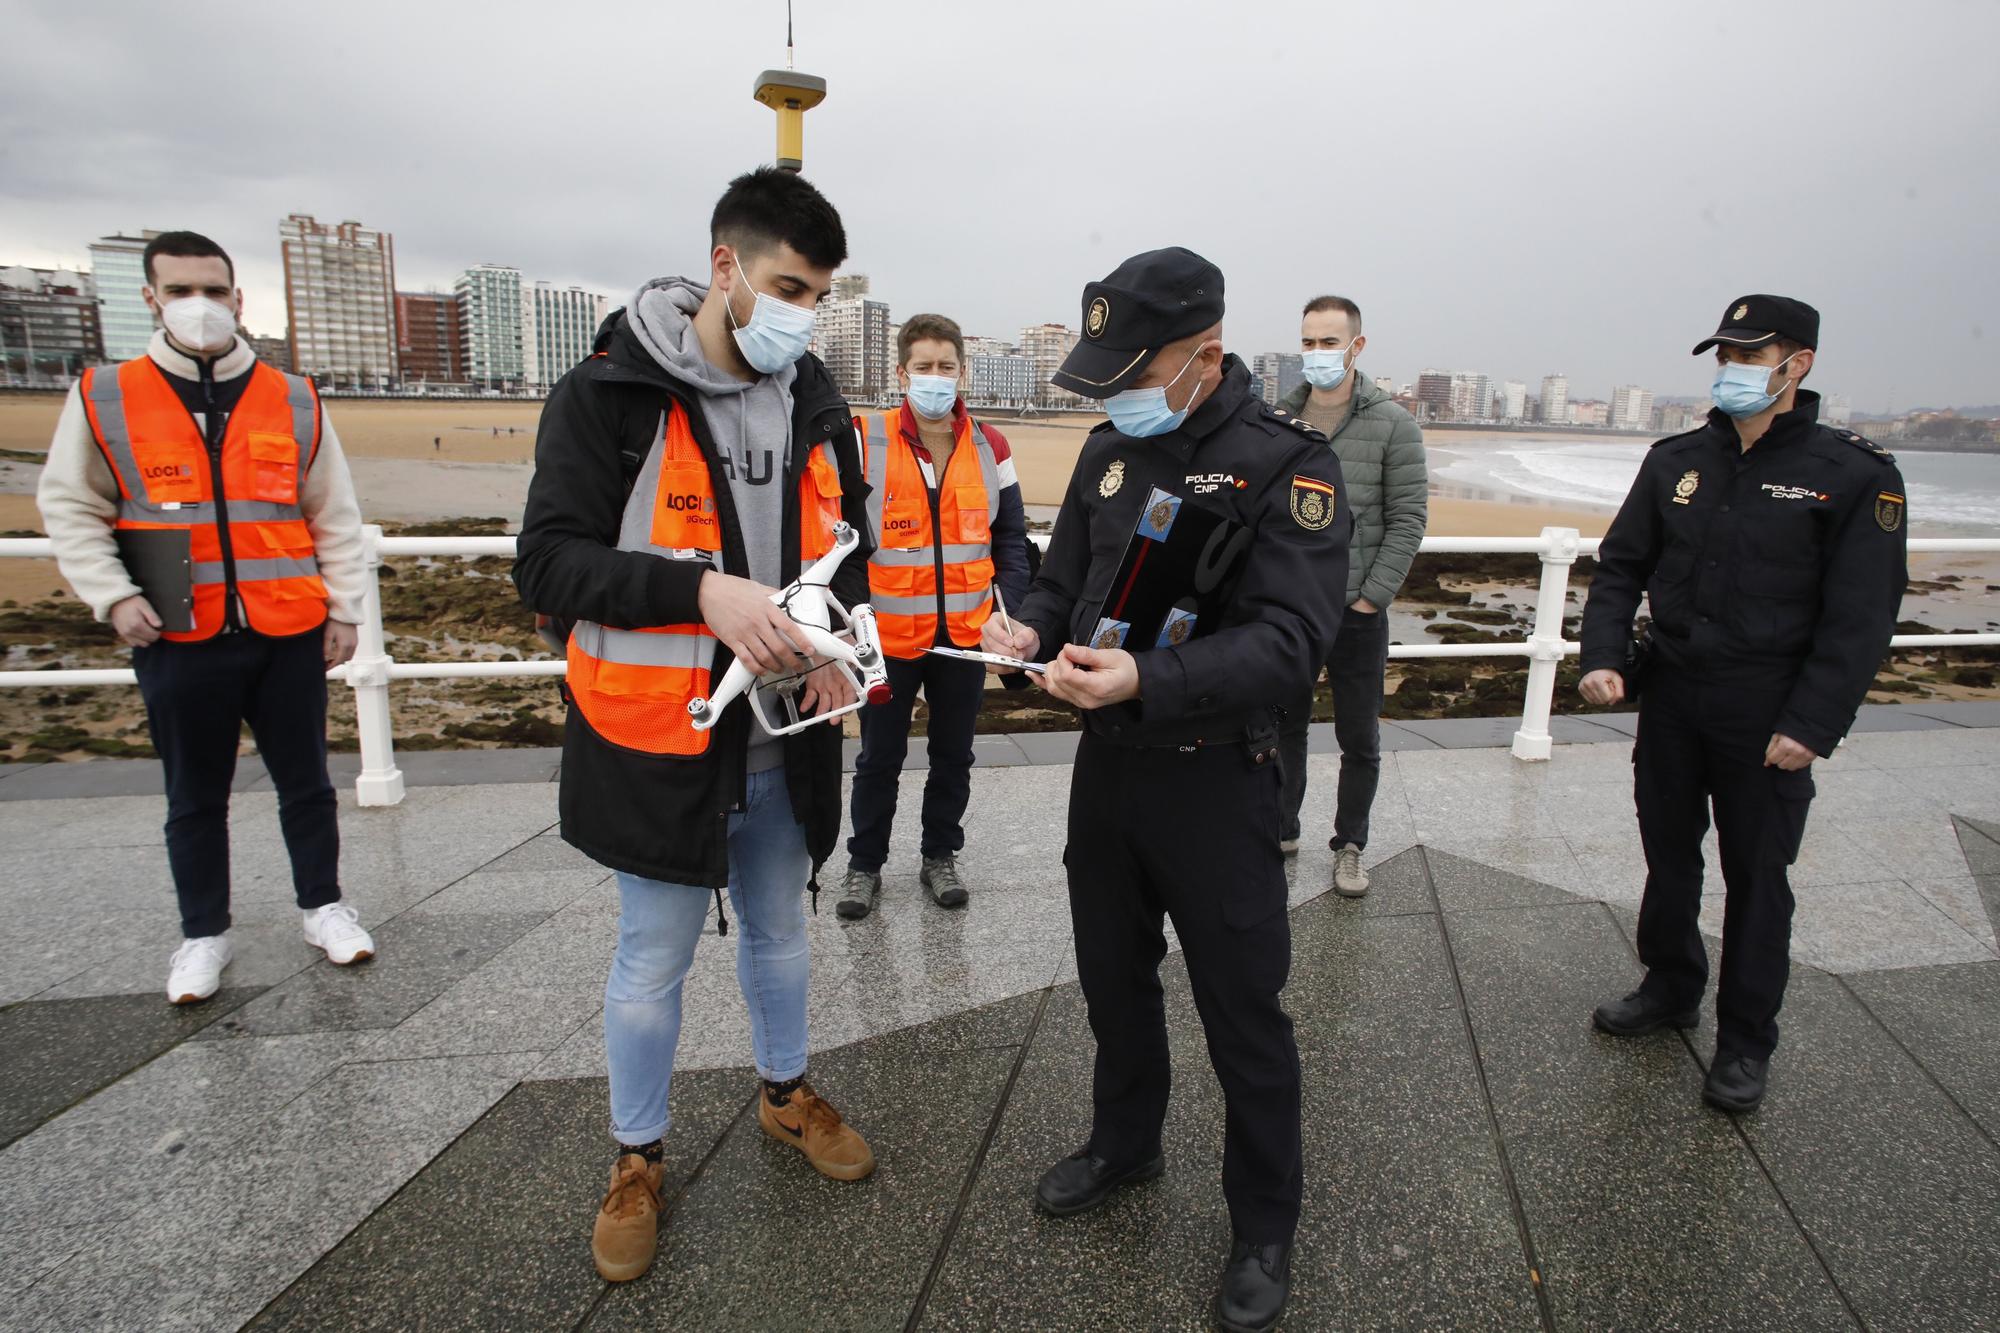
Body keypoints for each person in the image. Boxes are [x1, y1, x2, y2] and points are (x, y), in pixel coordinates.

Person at [512, 168, 879, 1285]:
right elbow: (548, 563)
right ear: (722, 269)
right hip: (657, 740)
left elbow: (842, 547)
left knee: (778, 930)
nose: (797, 314)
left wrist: (830, 643)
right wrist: (702, 593)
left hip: (785, 736)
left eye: (813, 294)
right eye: (782, 285)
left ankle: (783, 1092)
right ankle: (636, 1158)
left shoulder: (813, 392)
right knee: (650, 961)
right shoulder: (606, 393)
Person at [983, 248, 1351, 1332]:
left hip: (1217, 779)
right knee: (1111, 977)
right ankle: (1125, 1142)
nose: (1116, 396)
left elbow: (1291, 644)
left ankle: (1264, 1219)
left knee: (1241, 1009)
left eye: (1134, 370)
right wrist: (1027, 628)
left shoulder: (1289, 468)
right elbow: (1064, 576)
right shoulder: (1108, 451)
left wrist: (1150, 675)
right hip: (1107, 772)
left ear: (1205, 357)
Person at [1578, 294, 1907, 1113]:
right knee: (1670, 851)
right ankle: (1670, 983)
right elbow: (1622, 565)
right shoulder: (1676, 460)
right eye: (1725, 355)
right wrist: (1605, 657)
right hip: (1677, 692)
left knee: (1758, 875)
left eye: (1751, 356)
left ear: (1799, 364)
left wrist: (1811, 724)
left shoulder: (1855, 476)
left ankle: (1746, 1040)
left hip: (1769, 708)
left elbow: (1861, 616)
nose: (1733, 370)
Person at [36, 231, 374, 1006]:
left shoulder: (292, 396)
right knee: (193, 793)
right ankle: (203, 933)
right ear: (150, 296)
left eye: (214, 290)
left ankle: (323, 906)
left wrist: (346, 608)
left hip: (286, 627)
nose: (200, 305)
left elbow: (334, 513)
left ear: (238, 298)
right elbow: (71, 504)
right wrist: (112, 593)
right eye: (181, 289)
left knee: (308, 783)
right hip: (177, 634)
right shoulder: (106, 394)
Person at [836, 313, 1030, 918]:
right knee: (878, 760)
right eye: (924, 367)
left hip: (967, 638)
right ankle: (863, 866)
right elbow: (839, 539)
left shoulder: (990, 444)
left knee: (954, 755)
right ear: (902, 373)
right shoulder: (867, 441)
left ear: (962, 372)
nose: (936, 377)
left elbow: (1011, 539)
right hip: (887, 639)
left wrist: (1013, 615)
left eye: (946, 366)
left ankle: (939, 854)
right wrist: (849, 620)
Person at [1272, 295, 1427, 894]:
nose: (1317, 353)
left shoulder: (1394, 424)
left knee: (1358, 737)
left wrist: (1372, 597)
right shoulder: (1280, 421)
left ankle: (1351, 844)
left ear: (1356, 347)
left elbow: (1409, 518)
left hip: (1358, 612)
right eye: (1308, 342)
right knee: (1283, 725)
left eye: (1328, 342)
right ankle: (1280, 827)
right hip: (1292, 608)